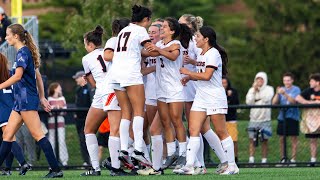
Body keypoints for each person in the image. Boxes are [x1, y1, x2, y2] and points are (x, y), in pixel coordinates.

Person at [0, 23, 62, 178]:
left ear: (15, 36)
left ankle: (56, 170)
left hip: (26, 100)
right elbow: (38, 77)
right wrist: (42, 96)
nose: (6, 37)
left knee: (37, 135)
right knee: (7, 135)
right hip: (20, 102)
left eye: (8, 34)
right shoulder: (23, 53)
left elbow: (18, 76)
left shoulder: (22, 53)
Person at [178, 26, 238, 175]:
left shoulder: (213, 53)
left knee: (221, 131)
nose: (195, 39)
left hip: (214, 96)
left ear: (206, 39)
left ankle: (232, 166)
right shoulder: (201, 52)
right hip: (201, 96)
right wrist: (190, 74)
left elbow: (207, 76)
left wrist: (188, 72)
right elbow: (201, 71)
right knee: (193, 129)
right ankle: (190, 165)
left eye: (198, 36)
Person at [108, 5, 152, 168]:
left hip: (116, 74)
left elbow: (137, 50)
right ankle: (138, 150)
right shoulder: (140, 30)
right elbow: (150, 49)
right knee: (139, 111)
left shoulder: (123, 31)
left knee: (126, 113)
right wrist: (166, 52)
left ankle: (124, 150)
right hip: (130, 73)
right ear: (146, 20)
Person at [102, 18, 132, 176]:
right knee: (115, 129)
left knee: (124, 128)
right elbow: (107, 55)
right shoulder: (115, 40)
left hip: (122, 87)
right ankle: (114, 167)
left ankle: (122, 162)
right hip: (113, 88)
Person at [80, 25, 108, 176]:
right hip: (117, 91)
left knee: (88, 130)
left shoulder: (86, 58)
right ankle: (121, 165)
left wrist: (87, 78)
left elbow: (94, 84)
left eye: (85, 44)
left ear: (90, 45)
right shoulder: (109, 51)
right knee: (120, 130)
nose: (85, 47)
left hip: (102, 93)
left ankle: (95, 168)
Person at [0, 53, 31, 176]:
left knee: (9, 139)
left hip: (3, 109)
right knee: (8, 138)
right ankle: (7, 169)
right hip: (15, 108)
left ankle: (23, 163)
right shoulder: (12, 74)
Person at [246, 71, 274, 163]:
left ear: (265, 80)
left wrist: (259, 92)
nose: (259, 81)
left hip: (265, 119)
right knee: (252, 140)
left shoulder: (269, 89)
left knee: (265, 140)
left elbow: (267, 99)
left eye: (261, 79)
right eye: (258, 79)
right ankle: (251, 160)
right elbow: (249, 102)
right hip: (254, 119)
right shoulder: (251, 90)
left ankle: (264, 160)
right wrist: (254, 90)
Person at [272, 72, 300, 164]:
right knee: (281, 139)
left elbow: (293, 102)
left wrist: (284, 94)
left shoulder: (296, 89)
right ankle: (283, 159)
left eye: (288, 80)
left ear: (292, 80)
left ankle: (293, 160)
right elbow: (274, 103)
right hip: (282, 117)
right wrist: (277, 93)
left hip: (293, 117)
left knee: (293, 139)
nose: (286, 82)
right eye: (285, 80)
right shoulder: (281, 89)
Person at [296, 73, 320, 165]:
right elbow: (298, 98)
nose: (310, 82)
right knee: (313, 140)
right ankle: (313, 160)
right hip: (312, 121)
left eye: (312, 81)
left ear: (318, 82)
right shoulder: (308, 91)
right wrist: (309, 102)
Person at [47, 82, 69, 167]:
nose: (61, 89)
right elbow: (48, 110)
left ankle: (64, 161)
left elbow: (64, 110)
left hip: (60, 121)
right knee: (51, 141)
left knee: (61, 140)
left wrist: (59, 108)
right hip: (51, 122)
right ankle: (52, 161)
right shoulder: (48, 99)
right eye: (59, 87)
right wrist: (55, 108)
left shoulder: (62, 98)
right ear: (55, 88)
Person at [73, 71, 91, 167]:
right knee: (81, 140)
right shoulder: (78, 90)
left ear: (82, 77)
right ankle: (86, 161)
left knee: (86, 139)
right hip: (79, 119)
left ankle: (90, 160)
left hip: (87, 118)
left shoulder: (89, 88)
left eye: (77, 78)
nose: (76, 80)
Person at [222, 76, 240, 163]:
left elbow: (236, 103)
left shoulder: (233, 91)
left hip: (231, 119)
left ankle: (235, 158)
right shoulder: (218, 92)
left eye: (225, 83)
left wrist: (230, 96)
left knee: (233, 140)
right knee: (223, 141)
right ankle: (225, 159)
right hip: (221, 120)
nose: (224, 85)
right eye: (222, 83)